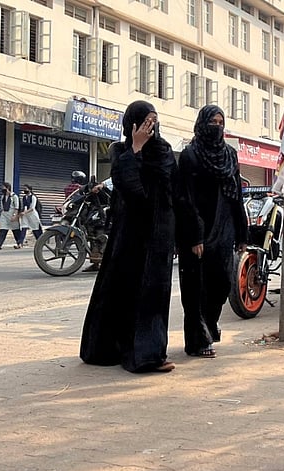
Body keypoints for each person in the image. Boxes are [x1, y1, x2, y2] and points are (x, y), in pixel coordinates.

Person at [80, 100, 179, 374]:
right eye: (145, 122)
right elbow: (133, 192)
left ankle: (148, 355)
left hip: (159, 236)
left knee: (153, 296)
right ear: (132, 125)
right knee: (122, 293)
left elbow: (176, 196)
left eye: (154, 121)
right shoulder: (121, 153)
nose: (151, 127)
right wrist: (135, 149)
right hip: (130, 236)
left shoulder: (164, 153)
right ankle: (114, 349)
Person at [174, 105, 248, 358]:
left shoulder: (230, 154)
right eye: (212, 122)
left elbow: (237, 194)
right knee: (196, 287)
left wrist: (242, 233)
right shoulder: (190, 155)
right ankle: (197, 339)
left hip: (225, 228)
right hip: (199, 230)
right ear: (202, 123)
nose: (217, 127)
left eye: (221, 122)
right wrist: (194, 235)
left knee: (221, 283)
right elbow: (185, 198)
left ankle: (210, 323)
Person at [0, 182, 24, 250]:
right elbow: (2, 207)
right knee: (2, 230)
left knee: (16, 230)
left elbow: (17, 207)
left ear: (7, 188)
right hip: (4, 215)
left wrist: (15, 216)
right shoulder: (3, 197)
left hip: (12, 214)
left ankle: (19, 243)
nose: (2, 189)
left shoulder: (14, 196)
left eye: (3, 187)